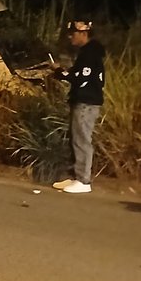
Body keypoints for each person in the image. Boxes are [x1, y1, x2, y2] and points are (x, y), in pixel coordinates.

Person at [51, 21, 106, 194]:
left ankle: (83, 180)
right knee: (76, 139)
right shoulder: (89, 53)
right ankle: (77, 177)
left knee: (82, 140)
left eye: (73, 33)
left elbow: (80, 78)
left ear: (84, 34)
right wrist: (63, 73)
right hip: (84, 101)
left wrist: (60, 72)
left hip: (86, 102)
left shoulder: (90, 54)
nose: (70, 36)